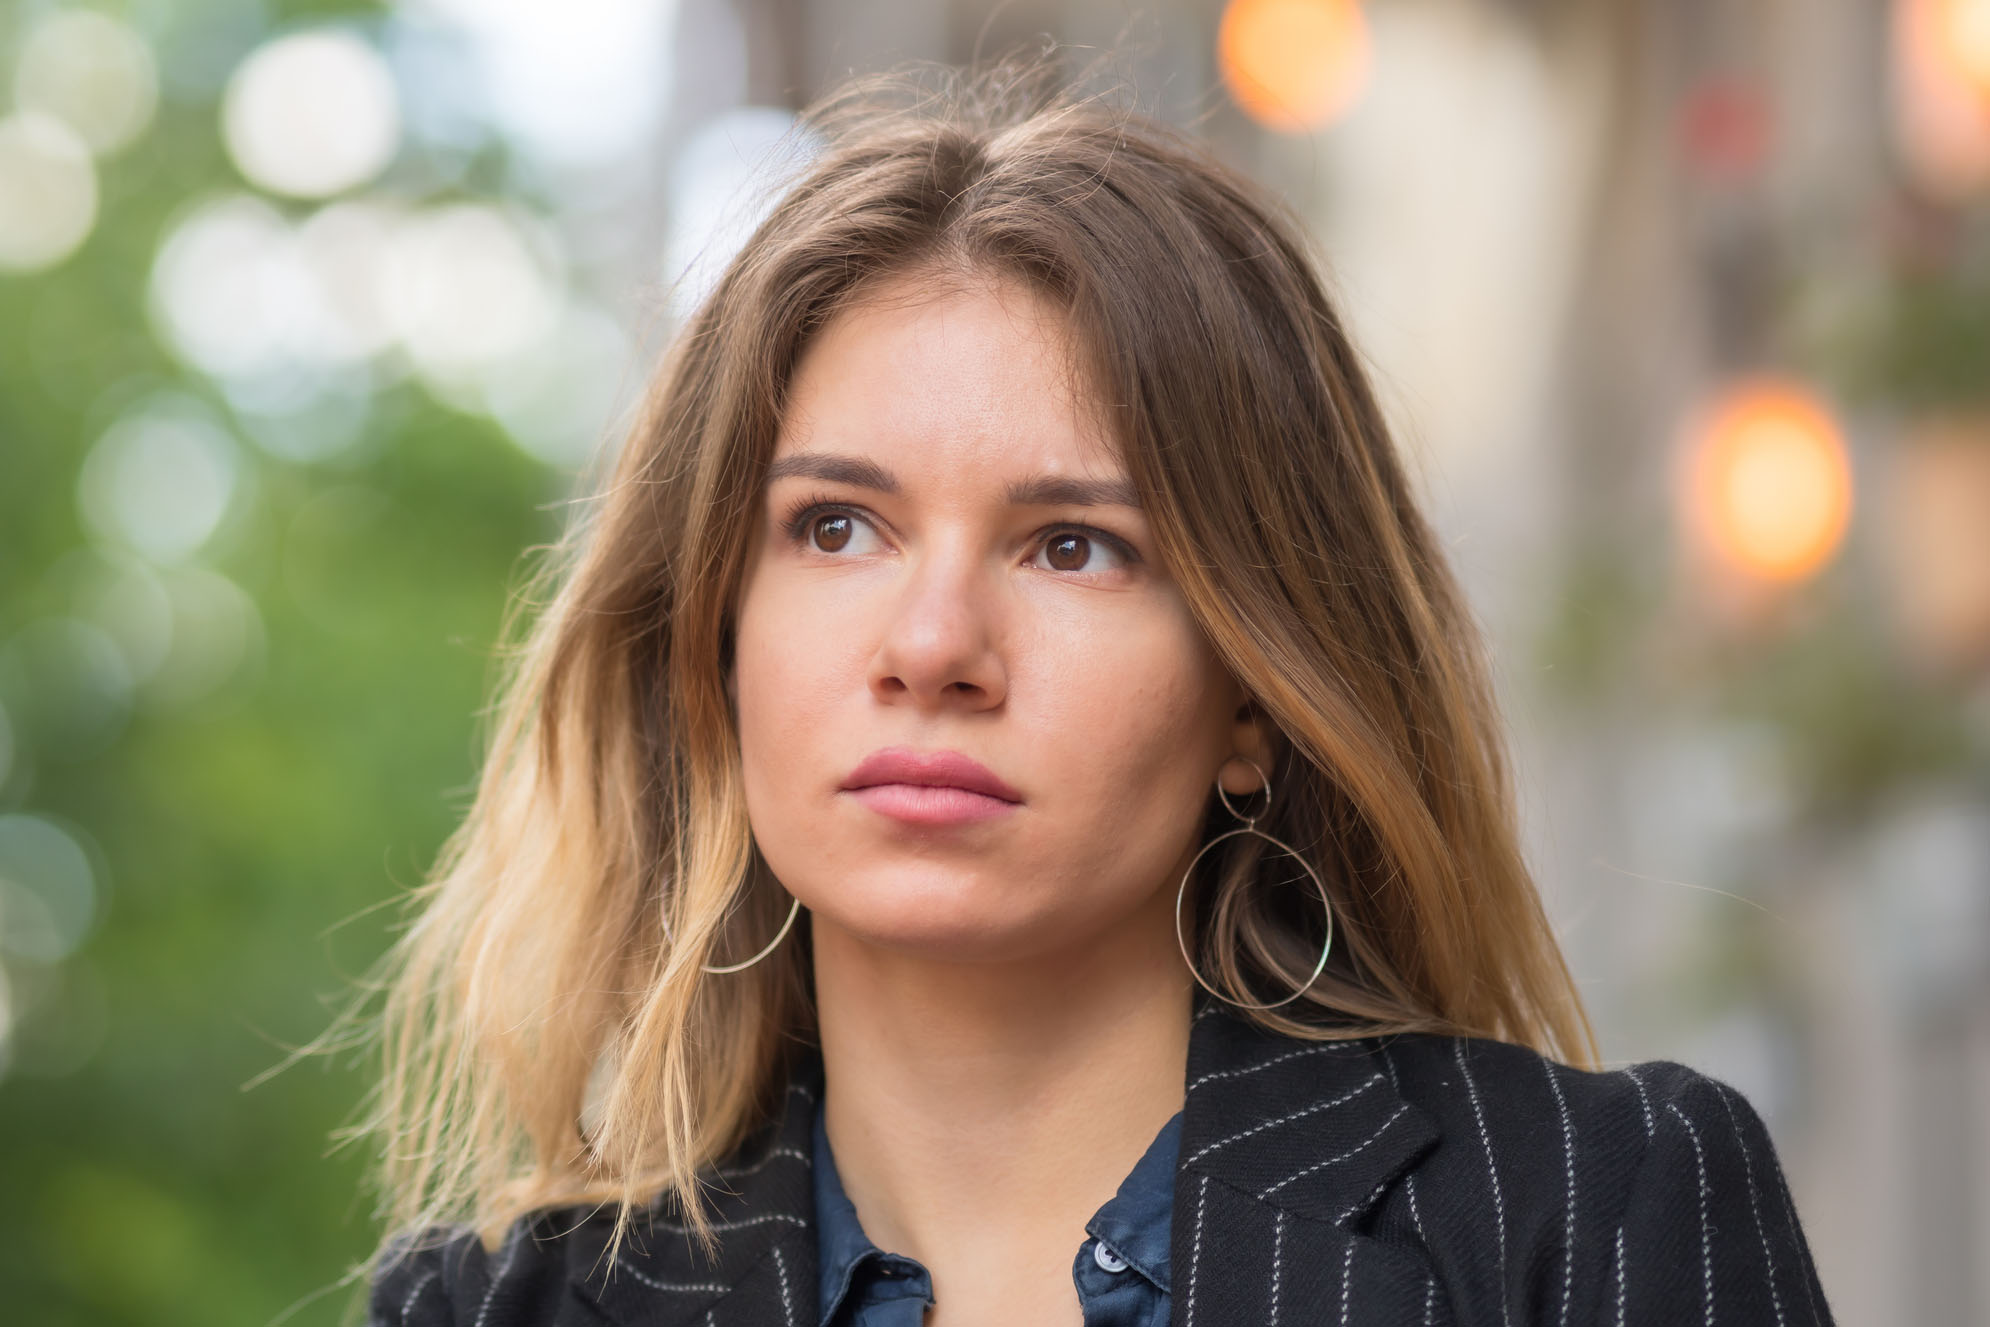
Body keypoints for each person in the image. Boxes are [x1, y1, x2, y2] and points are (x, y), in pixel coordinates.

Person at [356, 52, 1834, 1327]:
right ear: (712, 648)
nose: (932, 644)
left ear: (1256, 693)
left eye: (1074, 547)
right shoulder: (495, 1312)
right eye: (836, 527)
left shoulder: (1591, 1223)